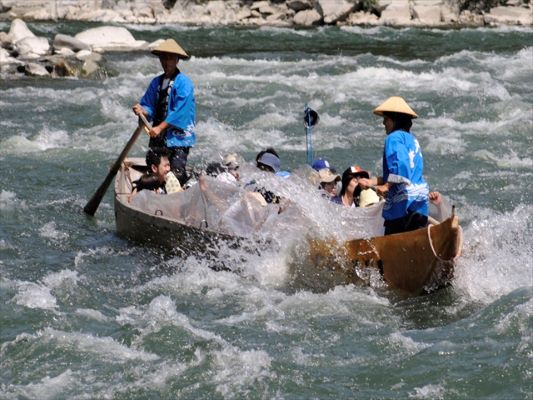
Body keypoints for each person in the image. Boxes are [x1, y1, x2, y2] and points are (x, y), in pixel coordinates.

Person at [358, 96, 429, 235]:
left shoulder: (393, 137)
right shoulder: (412, 139)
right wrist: (371, 181)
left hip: (403, 207)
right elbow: (404, 174)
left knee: (394, 245)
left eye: (386, 118)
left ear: (394, 120)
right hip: (420, 203)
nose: (383, 122)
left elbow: (401, 169)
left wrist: (386, 186)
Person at [132, 38, 196, 186]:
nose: (166, 62)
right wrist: (143, 111)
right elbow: (148, 105)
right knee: (155, 172)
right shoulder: (156, 82)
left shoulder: (184, 83)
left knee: (175, 174)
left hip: (178, 139)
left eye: (170, 58)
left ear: (177, 60)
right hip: (158, 138)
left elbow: (180, 111)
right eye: (163, 58)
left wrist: (160, 127)